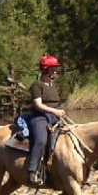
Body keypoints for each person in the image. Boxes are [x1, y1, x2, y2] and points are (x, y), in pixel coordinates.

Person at [25, 54, 66, 185]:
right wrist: (55, 111)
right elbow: (38, 105)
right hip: (39, 117)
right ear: (45, 70)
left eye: (55, 68)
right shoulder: (37, 85)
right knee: (41, 140)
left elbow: (55, 103)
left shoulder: (54, 85)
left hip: (55, 117)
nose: (55, 71)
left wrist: (60, 112)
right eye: (53, 68)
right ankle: (32, 171)